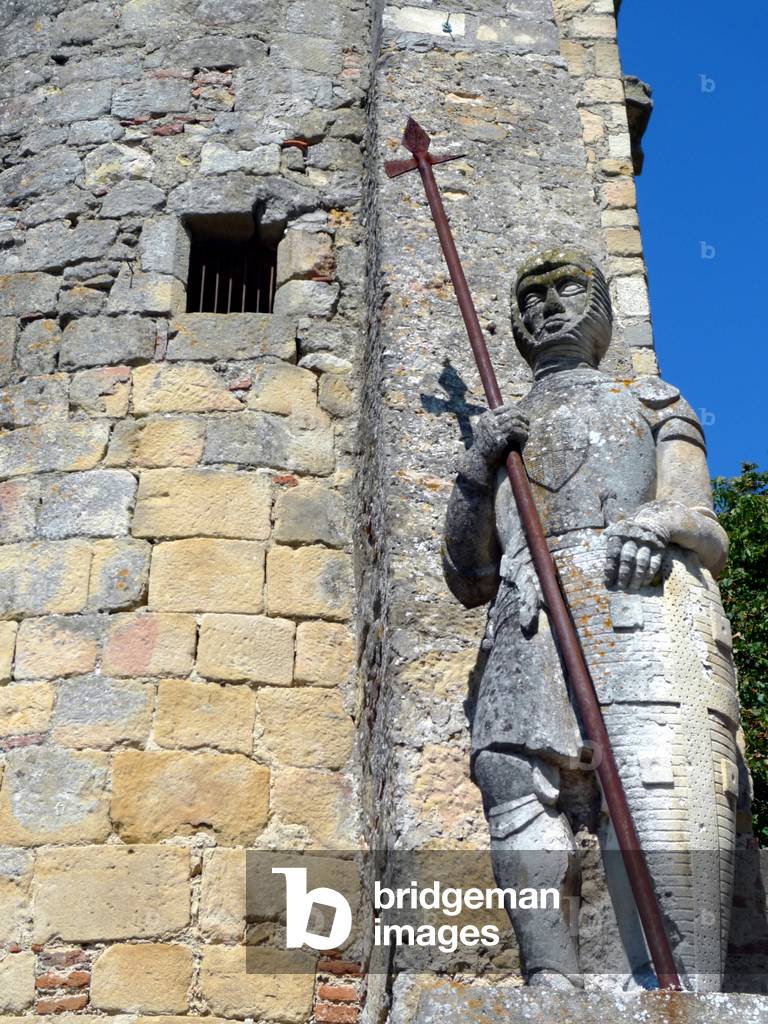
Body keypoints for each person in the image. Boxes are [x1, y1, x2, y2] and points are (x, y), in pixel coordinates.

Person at [442, 248, 740, 990]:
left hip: (634, 602)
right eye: (530, 297)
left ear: (602, 307)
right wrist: (478, 468)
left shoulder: (654, 404)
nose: (546, 307)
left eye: (566, 289)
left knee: (655, 789)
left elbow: (706, 526)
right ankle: (551, 977)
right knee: (516, 784)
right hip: (525, 615)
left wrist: (661, 521)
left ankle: (676, 984)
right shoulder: (501, 427)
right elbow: (466, 572)